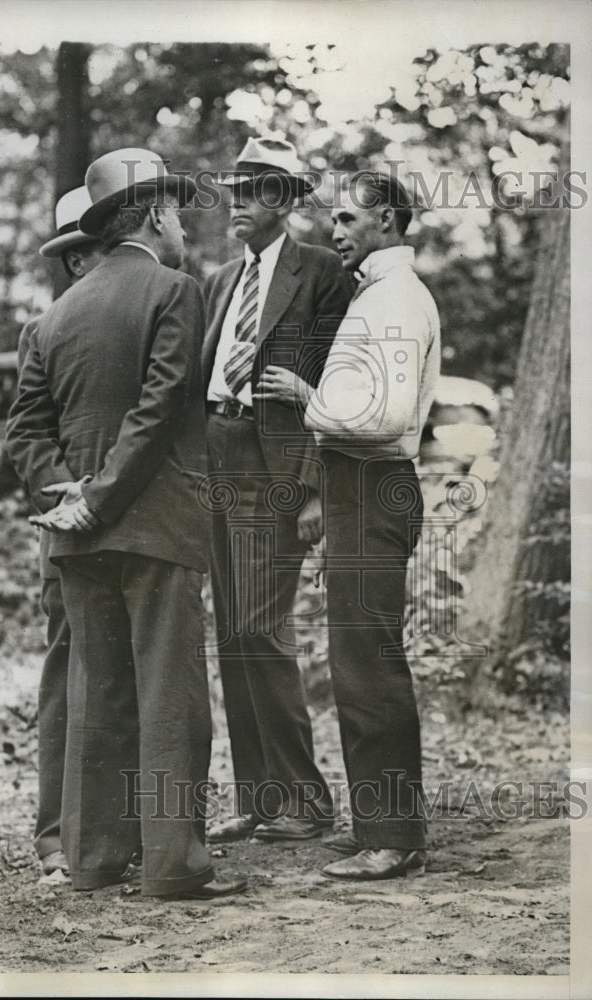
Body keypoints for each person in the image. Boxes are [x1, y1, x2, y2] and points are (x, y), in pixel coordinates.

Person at [6, 147, 245, 901]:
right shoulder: (177, 291)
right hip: (155, 524)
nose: (181, 225)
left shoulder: (51, 317)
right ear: (151, 217)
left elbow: (23, 433)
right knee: (170, 693)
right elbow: (163, 404)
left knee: (96, 690)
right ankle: (174, 865)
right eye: (174, 210)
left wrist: (69, 492)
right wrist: (103, 494)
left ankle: (95, 860)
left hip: (74, 535)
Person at [257, 170, 441, 880]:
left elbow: (386, 418)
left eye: (347, 220)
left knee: (369, 665)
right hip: (358, 490)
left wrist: (308, 398)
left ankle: (392, 837)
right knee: (355, 660)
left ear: (388, 223)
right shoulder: (380, 291)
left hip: (375, 486)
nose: (335, 231)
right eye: (333, 220)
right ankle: (381, 825)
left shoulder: (396, 299)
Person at [202, 138, 353, 842]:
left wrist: (317, 489)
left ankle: (309, 800)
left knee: (263, 631)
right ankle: (262, 796)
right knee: (234, 637)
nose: (238, 199)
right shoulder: (218, 283)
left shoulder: (321, 272)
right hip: (217, 468)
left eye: (255, 188)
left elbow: (342, 381)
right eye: (235, 186)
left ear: (287, 200)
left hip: (277, 477)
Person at [9, 185, 104, 877]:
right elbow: (27, 432)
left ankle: (115, 830)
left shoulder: (155, 312)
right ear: (76, 263)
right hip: (68, 533)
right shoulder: (44, 330)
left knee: (131, 678)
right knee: (69, 672)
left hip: (138, 526)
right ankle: (57, 834)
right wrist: (67, 493)